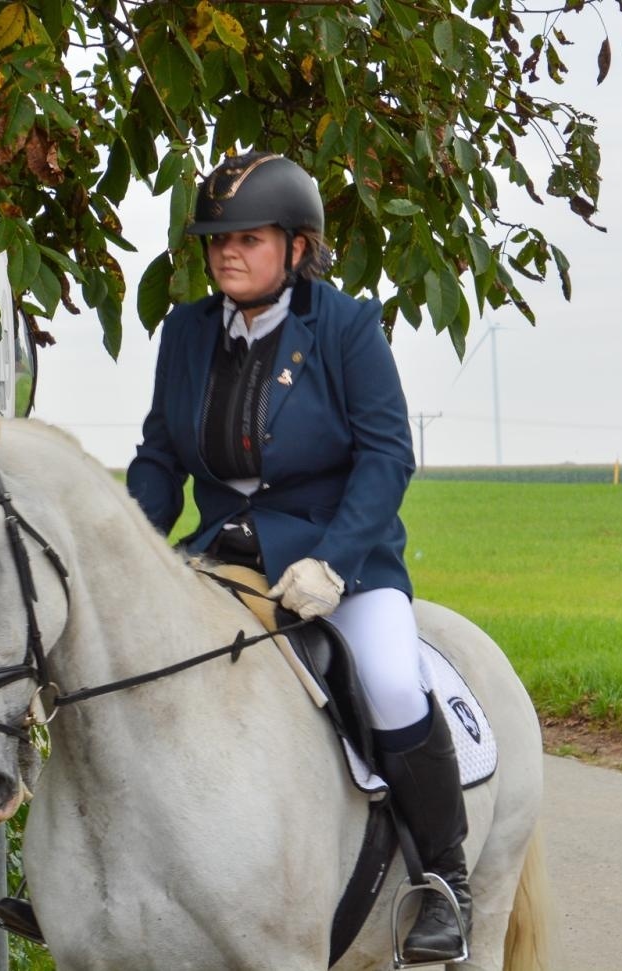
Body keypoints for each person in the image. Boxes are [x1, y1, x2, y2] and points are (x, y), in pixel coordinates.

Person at [124, 151, 470, 962]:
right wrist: (130, 544)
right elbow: (158, 457)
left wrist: (337, 560)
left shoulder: (345, 327)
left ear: (296, 244)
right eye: (215, 240)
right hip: (221, 556)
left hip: (337, 559)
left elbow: (388, 456)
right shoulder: (184, 332)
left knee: (388, 678)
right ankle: (115, 878)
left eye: (246, 237)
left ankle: (444, 882)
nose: (226, 253)